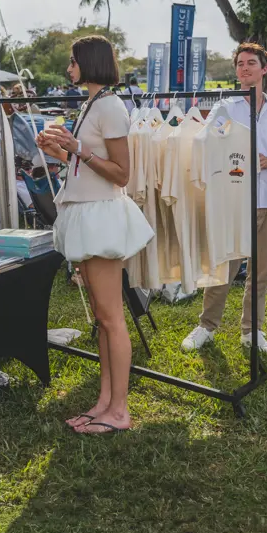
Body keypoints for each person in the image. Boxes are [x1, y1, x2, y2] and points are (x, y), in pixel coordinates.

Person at [39, 36, 153, 435]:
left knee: (111, 318)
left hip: (102, 216)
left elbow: (121, 174)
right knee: (103, 319)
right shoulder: (92, 103)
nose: (68, 68)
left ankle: (119, 411)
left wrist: (77, 148)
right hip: (87, 215)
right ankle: (105, 402)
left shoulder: (109, 106)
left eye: (73, 61)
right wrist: (59, 150)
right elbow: (85, 163)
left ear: (89, 62)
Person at [181, 42, 267, 354]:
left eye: (251, 63)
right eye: (240, 64)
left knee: (261, 272)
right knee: (223, 268)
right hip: (234, 201)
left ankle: (251, 331)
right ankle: (207, 326)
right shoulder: (226, 108)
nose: (244, 68)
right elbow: (206, 142)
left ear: (264, 69)